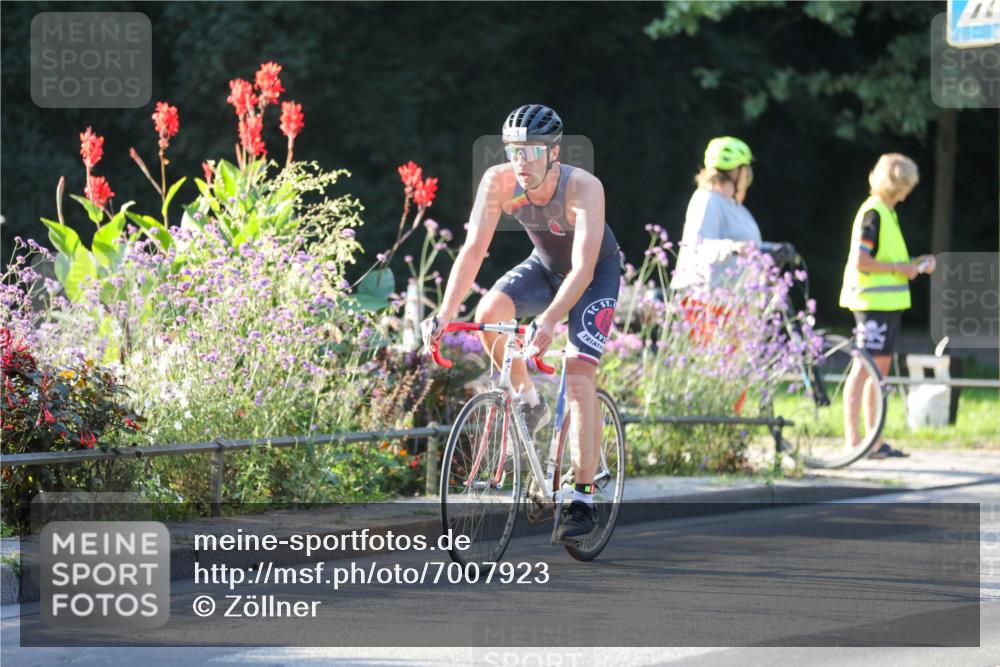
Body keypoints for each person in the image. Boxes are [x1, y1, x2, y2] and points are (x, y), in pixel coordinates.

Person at [422, 104, 622, 542]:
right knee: (489, 313)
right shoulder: (500, 182)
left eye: (532, 151)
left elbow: (584, 268)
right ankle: (528, 400)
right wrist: (444, 313)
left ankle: (583, 498)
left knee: (580, 376)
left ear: (554, 151)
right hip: (545, 267)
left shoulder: (583, 187)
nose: (522, 161)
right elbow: (474, 249)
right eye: (514, 150)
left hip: (592, 275)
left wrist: (550, 322)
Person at [839, 153, 936, 458]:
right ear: (901, 184)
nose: (910, 190)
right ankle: (854, 442)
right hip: (871, 304)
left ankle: (873, 442)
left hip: (887, 305)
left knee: (877, 373)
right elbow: (862, 261)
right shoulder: (874, 214)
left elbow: (888, 262)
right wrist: (901, 269)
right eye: (908, 184)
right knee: (863, 370)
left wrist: (913, 265)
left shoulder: (886, 213)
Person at [670, 136, 761, 296]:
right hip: (705, 302)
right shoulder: (707, 200)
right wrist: (731, 247)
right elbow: (699, 246)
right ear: (737, 173)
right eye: (746, 172)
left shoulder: (739, 210)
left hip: (735, 305)